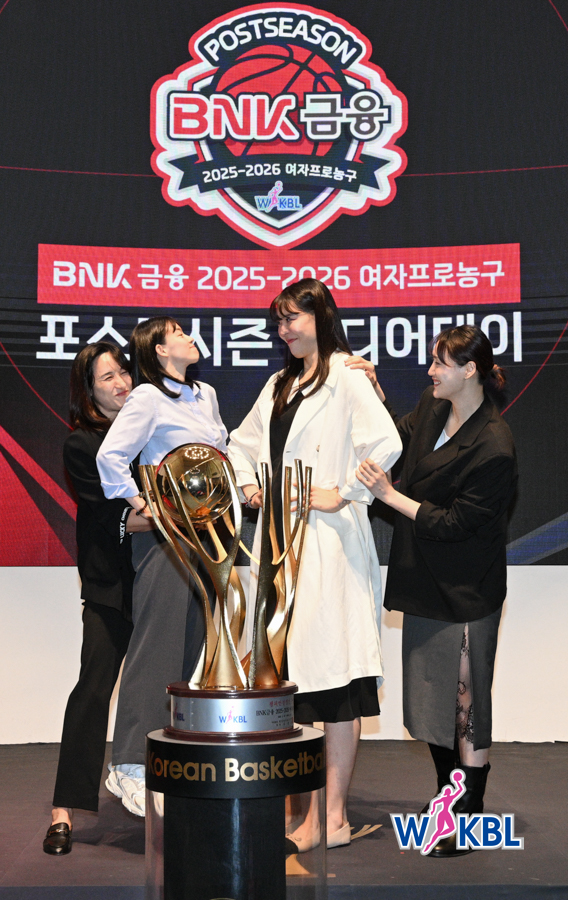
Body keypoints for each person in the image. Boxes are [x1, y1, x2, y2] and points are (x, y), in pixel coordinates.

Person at [227, 279, 402, 851]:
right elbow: (241, 443)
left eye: (293, 318)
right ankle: (301, 812)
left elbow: (386, 443)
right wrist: (249, 485)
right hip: (280, 544)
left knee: (337, 680)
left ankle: (332, 818)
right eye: (279, 321)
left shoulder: (347, 375)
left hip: (329, 545)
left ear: (320, 318)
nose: (285, 330)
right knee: (292, 679)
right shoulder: (279, 384)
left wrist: (345, 490)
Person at [355, 325, 518, 857]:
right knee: (431, 702)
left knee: (465, 704)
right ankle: (448, 795)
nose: (430, 371)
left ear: (470, 370)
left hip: (467, 589)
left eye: (440, 363)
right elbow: (397, 438)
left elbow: (454, 523)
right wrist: (373, 392)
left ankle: (468, 811)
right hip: (424, 580)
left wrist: (389, 496)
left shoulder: (494, 444)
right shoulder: (431, 406)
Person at [96, 316, 227, 816]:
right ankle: (129, 764)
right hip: (166, 541)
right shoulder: (148, 397)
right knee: (156, 647)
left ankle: (167, 760)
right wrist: (142, 503)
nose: (190, 337)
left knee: (192, 652)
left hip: (208, 536)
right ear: (159, 349)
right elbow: (111, 457)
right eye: (179, 333)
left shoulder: (205, 395)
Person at [43, 342, 154, 856]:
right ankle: (63, 810)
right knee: (92, 689)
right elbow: (117, 516)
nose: (121, 383)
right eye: (106, 377)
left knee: (169, 693)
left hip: (161, 583)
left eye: (123, 372)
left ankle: (166, 797)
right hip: (112, 587)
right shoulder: (82, 444)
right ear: (88, 392)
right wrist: (174, 514)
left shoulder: (152, 431)